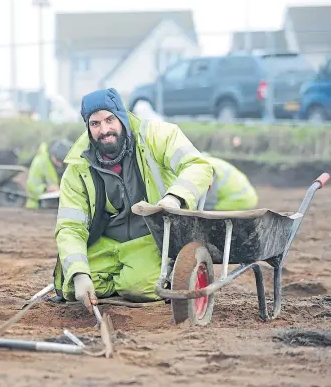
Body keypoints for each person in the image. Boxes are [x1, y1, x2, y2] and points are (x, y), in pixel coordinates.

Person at [51, 87, 213, 312]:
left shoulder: (156, 136)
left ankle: (144, 274)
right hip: (107, 241)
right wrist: (79, 273)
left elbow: (199, 166)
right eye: (95, 124)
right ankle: (124, 277)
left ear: (123, 118)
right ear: (88, 128)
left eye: (110, 119)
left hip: (151, 236)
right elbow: (70, 227)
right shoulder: (78, 167)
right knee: (71, 287)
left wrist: (174, 198)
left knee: (139, 288)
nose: (104, 130)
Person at [25, 139, 73, 209]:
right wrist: (46, 188)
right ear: (52, 155)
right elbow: (32, 187)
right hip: (38, 206)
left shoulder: (67, 163)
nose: (60, 164)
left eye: (62, 161)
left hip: (60, 206)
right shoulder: (39, 163)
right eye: (58, 160)